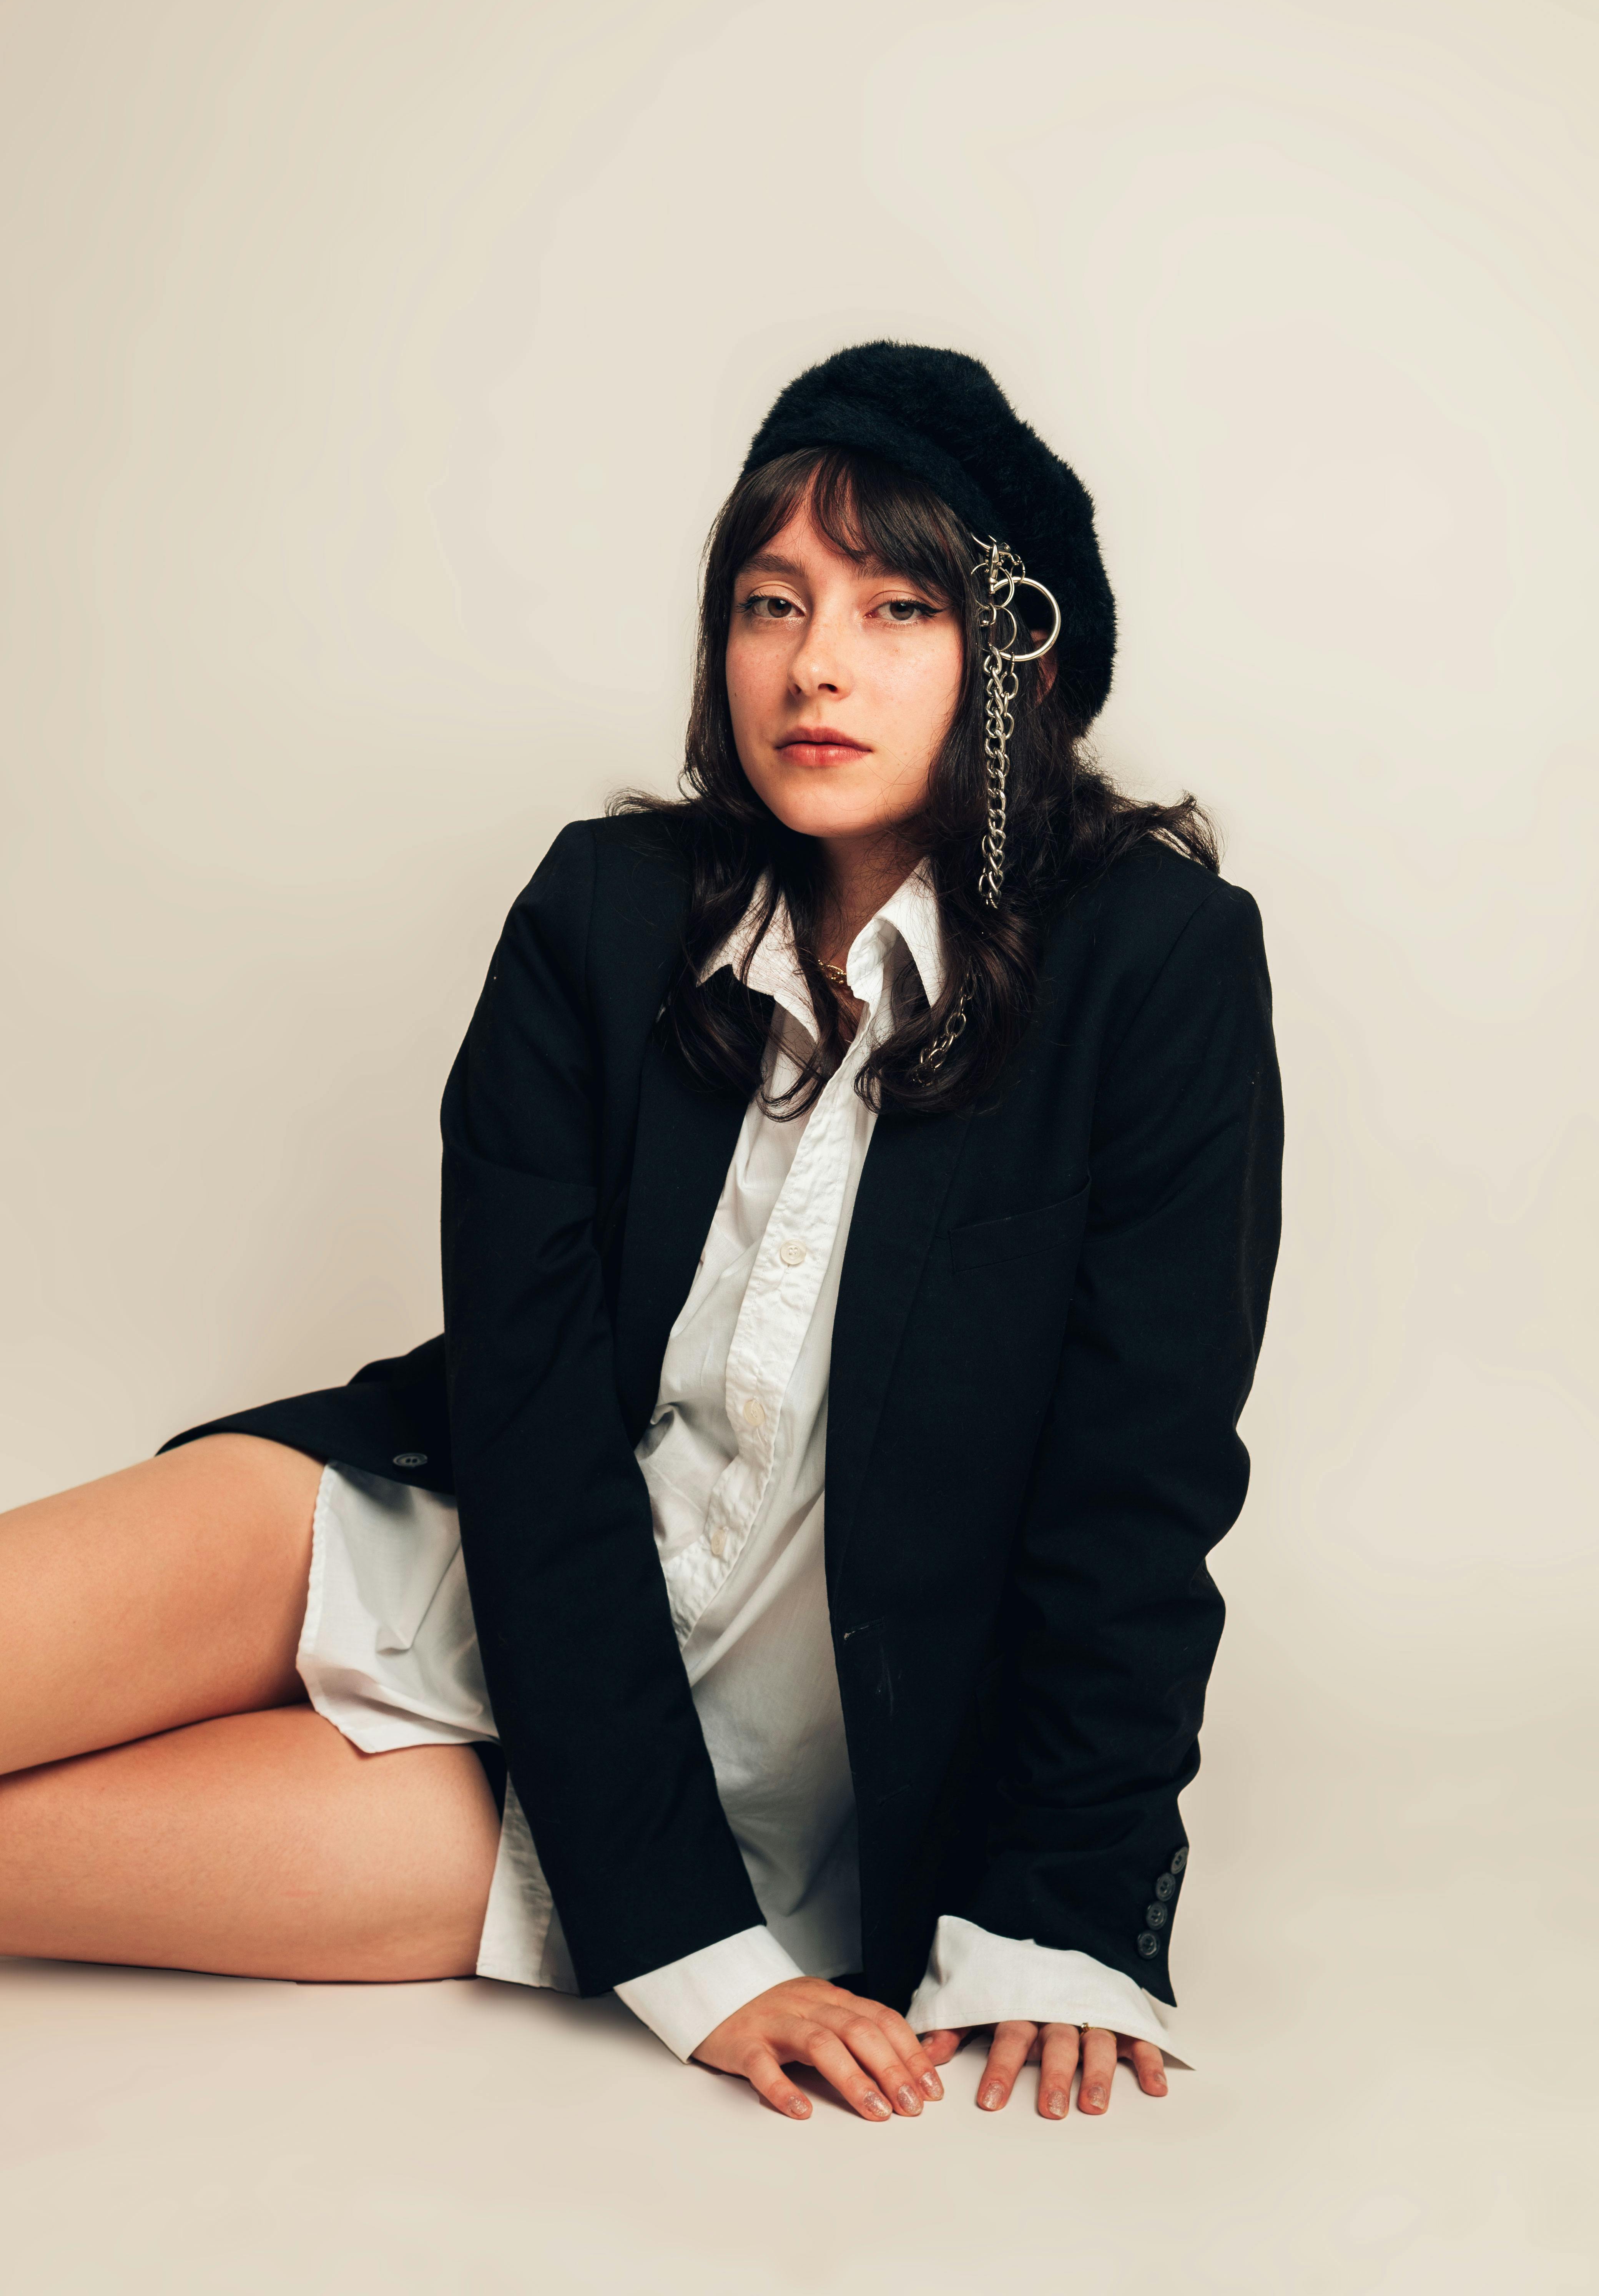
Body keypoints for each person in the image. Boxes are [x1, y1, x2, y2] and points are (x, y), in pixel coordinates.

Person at [0, 342, 1282, 2125]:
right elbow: (528, 1422)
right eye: (769, 602)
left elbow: (1135, 1482)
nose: (813, 662)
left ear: (1013, 662)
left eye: (893, 607)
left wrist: (1047, 1908)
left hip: (727, 1778)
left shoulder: (1152, 965)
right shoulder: (600, 917)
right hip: (458, 1528)